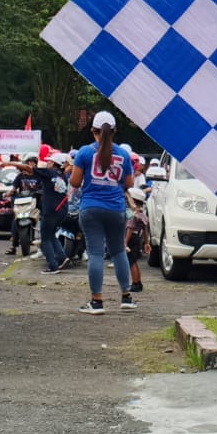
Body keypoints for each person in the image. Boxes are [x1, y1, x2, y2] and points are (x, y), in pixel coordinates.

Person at [70, 111, 136, 315]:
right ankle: (126, 297)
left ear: (93, 131)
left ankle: (97, 301)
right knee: (118, 251)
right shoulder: (123, 154)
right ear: (114, 131)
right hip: (116, 208)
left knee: (95, 253)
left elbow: (75, 182)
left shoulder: (85, 152)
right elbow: (129, 183)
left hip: (90, 208)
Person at [9, 153, 70, 273]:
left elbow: (29, 168)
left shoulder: (49, 172)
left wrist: (10, 163)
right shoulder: (62, 176)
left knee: (45, 238)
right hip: (62, 210)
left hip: (50, 211)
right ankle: (62, 257)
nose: (47, 163)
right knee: (51, 235)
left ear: (53, 163)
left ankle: (53, 266)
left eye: (49, 161)